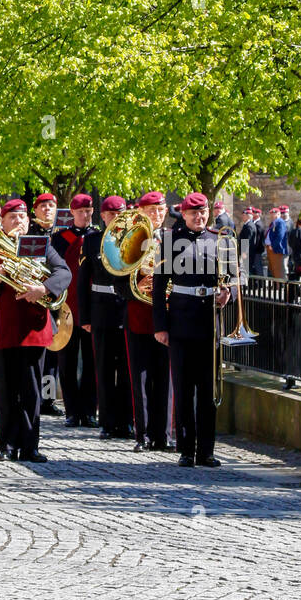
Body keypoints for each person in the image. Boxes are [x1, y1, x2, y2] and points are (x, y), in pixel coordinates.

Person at [0, 197, 70, 463]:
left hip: (33, 329)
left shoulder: (39, 244)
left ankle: (30, 446)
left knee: (32, 390)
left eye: (22, 217)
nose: (19, 222)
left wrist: (43, 289)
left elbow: (63, 272)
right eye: (12, 217)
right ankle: (7, 445)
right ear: (2, 221)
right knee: (5, 389)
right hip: (4, 328)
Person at [152, 192, 231, 468]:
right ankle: (186, 449)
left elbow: (228, 279)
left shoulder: (217, 240)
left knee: (208, 391)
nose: (200, 217)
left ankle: (206, 451)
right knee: (184, 389)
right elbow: (159, 286)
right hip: (181, 323)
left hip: (209, 322)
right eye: (194, 213)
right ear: (183, 215)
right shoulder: (171, 242)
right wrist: (161, 326)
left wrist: (226, 294)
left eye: (203, 212)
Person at [78, 195, 132, 439]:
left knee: (126, 368)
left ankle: (127, 420)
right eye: (111, 214)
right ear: (102, 216)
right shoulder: (92, 241)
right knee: (104, 367)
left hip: (126, 307)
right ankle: (108, 422)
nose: (115, 218)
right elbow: (82, 281)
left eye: (120, 214)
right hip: (101, 309)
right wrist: (85, 316)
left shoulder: (135, 238)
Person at [124, 191, 171, 452]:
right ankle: (143, 435)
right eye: (152, 210)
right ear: (141, 211)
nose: (157, 215)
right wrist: (138, 285)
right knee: (140, 379)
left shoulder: (173, 239)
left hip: (165, 315)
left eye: (161, 210)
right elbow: (118, 282)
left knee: (165, 378)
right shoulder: (130, 239)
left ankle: (164, 434)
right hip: (139, 316)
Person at [51, 194, 98, 428]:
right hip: (66, 305)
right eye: (81, 211)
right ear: (72, 212)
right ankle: (72, 410)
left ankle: (89, 410)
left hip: (90, 306)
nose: (85, 215)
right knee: (67, 360)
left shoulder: (97, 236)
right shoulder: (59, 239)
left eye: (89, 210)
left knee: (91, 360)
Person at [29, 192, 63, 418]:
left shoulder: (60, 234)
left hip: (57, 295)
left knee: (53, 355)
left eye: (51, 206)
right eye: (43, 206)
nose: (47, 210)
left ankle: (49, 400)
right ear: (35, 210)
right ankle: (37, 398)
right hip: (35, 297)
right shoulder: (29, 234)